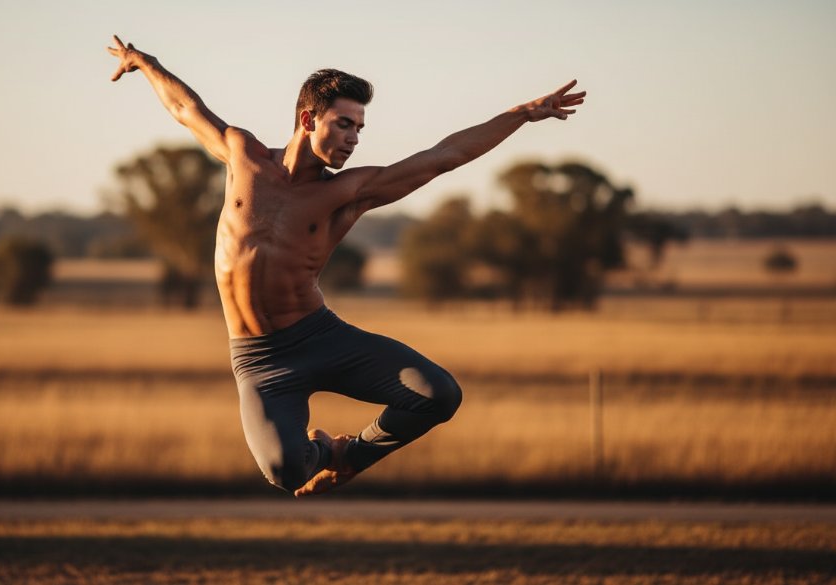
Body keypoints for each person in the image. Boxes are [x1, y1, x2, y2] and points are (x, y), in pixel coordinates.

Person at [106, 35, 585, 496]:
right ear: (308, 118)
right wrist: (143, 63)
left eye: (359, 128)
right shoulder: (243, 155)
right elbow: (185, 108)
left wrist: (521, 115)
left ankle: (349, 457)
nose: (354, 138)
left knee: (440, 394)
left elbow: (444, 157)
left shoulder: (348, 193)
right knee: (284, 471)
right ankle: (318, 451)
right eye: (344, 124)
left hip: (321, 337)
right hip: (259, 360)